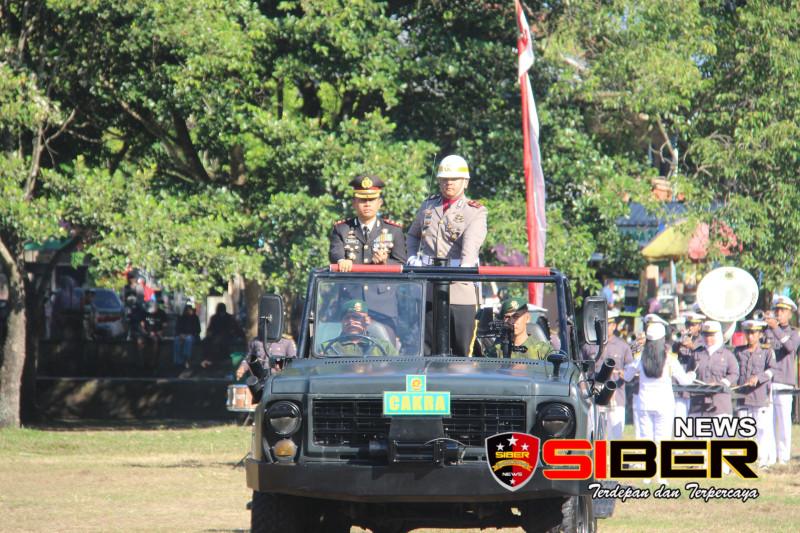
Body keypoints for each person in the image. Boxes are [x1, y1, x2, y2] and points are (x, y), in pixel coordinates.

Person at [406, 154, 488, 356]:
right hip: (428, 287)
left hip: (460, 289)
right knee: (426, 350)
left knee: (462, 352)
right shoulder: (428, 206)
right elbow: (412, 235)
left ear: (465, 182)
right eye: (444, 179)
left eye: (454, 179)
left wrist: (464, 268)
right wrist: (412, 258)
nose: (448, 183)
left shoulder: (474, 211)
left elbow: (470, 248)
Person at [329, 174, 406, 342]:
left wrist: (385, 263)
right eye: (362, 200)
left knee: (385, 352)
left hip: (382, 306)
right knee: (348, 351)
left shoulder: (393, 231)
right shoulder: (342, 229)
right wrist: (341, 261)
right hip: (351, 304)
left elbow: (402, 265)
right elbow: (335, 253)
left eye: (372, 200)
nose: (367, 204)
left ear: (380, 202)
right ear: (354, 203)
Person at [624, 322, 695, 483]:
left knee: (646, 438)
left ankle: (646, 476)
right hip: (664, 404)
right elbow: (685, 381)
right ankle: (662, 477)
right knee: (662, 440)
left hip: (644, 403)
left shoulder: (640, 358)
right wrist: (692, 375)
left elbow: (627, 377)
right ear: (663, 340)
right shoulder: (670, 359)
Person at [582, 309, 634, 441]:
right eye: (601, 324)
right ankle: (594, 454)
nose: (604, 328)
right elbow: (581, 370)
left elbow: (631, 370)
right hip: (594, 393)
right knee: (592, 433)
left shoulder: (623, 346)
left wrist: (622, 373)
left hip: (616, 394)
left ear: (614, 326)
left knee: (616, 435)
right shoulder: (589, 345)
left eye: (608, 324)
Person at [734, 319, 778, 469]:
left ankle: (762, 460)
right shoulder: (738, 352)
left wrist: (759, 378)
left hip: (759, 396)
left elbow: (772, 370)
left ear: (760, 334)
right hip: (742, 396)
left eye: (753, 333)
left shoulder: (766, 351)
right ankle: (743, 460)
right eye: (748, 333)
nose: (750, 336)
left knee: (761, 429)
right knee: (743, 429)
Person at [763, 295, 799, 465]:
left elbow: (790, 347)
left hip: (784, 380)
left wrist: (775, 328)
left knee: (783, 420)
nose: (779, 313)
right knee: (768, 421)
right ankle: (770, 455)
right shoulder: (767, 331)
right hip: (768, 381)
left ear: (790, 314)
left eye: (783, 311)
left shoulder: (794, 333)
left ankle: (783, 457)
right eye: (777, 310)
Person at [690, 320, 739, 418]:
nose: (708, 339)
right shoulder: (696, 354)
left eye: (712, 335)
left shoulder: (727, 355)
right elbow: (689, 373)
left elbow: (734, 373)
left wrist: (721, 383)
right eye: (706, 335)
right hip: (698, 405)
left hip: (720, 405)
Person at [319, 299, 397, 356]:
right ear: (342, 322)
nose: (351, 321)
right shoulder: (327, 348)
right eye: (347, 318)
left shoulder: (385, 348)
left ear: (367, 320)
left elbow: (397, 369)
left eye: (356, 317)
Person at [484, 297, 552, 360]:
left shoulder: (543, 350)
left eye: (516, 316)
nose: (511, 321)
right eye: (507, 317)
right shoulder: (495, 351)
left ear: (527, 318)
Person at [673, 311, 705, 425]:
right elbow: (671, 356)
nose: (690, 328)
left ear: (699, 326)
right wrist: (677, 344)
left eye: (693, 325)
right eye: (688, 324)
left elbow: (703, 358)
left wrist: (692, 346)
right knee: (679, 421)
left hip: (695, 386)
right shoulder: (680, 338)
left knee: (695, 423)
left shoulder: (703, 340)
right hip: (680, 387)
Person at [202, 302, 245, 370]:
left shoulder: (229, 317)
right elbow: (210, 328)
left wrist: (240, 336)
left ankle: (218, 360)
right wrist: (209, 334)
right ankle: (207, 359)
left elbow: (235, 328)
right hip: (215, 336)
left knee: (221, 342)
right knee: (206, 341)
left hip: (227, 336)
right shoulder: (214, 317)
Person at [139, 300, 167, 372]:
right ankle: (142, 362)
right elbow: (142, 326)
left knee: (155, 341)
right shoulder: (144, 313)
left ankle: (153, 363)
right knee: (140, 342)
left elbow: (164, 326)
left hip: (157, 334)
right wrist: (147, 333)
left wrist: (158, 332)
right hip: (146, 333)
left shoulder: (162, 313)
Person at [173, 303, 201, 368]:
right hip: (182, 335)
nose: (189, 311)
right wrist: (181, 334)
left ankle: (187, 358)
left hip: (192, 336)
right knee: (176, 340)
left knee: (189, 339)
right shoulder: (181, 318)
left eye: (190, 310)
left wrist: (188, 334)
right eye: (188, 310)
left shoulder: (195, 318)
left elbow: (198, 330)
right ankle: (178, 361)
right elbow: (177, 329)